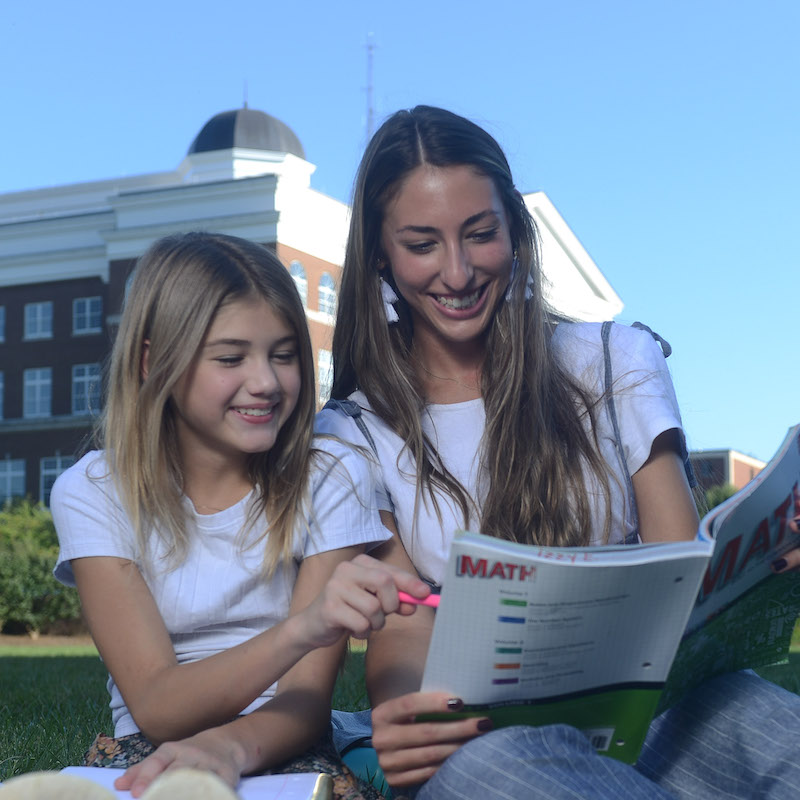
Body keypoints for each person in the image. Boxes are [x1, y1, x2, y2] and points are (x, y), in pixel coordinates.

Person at [315, 105, 800, 799]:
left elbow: (680, 562)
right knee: (491, 773)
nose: (457, 273)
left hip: (661, 714)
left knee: (770, 728)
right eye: (422, 244)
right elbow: (404, 624)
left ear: (513, 230)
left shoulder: (613, 359)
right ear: (380, 256)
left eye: (479, 235)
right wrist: (410, 718)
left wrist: (759, 569)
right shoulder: (354, 434)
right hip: (486, 738)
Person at [51, 232, 430, 799]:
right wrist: (303, 630)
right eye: (231, 357)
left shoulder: (330, 473)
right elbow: (156, 705)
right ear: (156, 363)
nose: (266, 382)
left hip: (282, 744)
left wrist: (230, 748)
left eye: (284, 355)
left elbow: (302, 707)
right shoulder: (93, 490)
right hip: (155, 744)